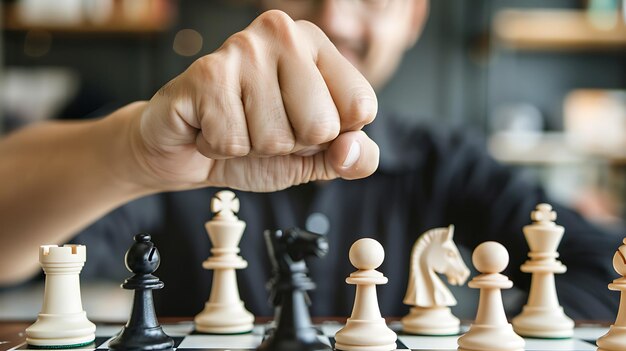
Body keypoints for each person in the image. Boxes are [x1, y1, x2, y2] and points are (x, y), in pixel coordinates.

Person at [0, 0, 621, 319]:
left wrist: (497, 328)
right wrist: (131, 151)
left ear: (413, 17)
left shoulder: (451, 163)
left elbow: (607, 271)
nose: (333, 17)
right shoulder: (174, 134)